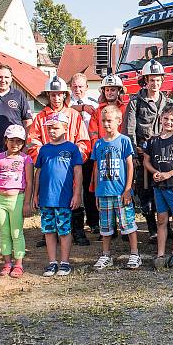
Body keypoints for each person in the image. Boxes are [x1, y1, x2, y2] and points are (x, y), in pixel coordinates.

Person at [28, 75, 91, 247]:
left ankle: (77, 230)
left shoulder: (74, 116)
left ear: (65, 95)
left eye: (59, 94)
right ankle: (49, 233)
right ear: (48, 95)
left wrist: (77, 158)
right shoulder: (40, 118)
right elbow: (33, 141)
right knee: (49, 198)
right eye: (53, 94)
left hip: (69, 166)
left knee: (75, 196)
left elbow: (83, 141)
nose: (56, 98)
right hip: (49, 168)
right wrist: (44, 158)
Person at [90, 106, 142, 270]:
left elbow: (130, 166)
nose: (106, 124)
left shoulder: (124, 141)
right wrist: (97, 193)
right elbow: (97, 169)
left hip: (120, 192)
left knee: (128, 224)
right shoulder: (98, 144)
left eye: (109, 121)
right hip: (104, 192)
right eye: (103, 121)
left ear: (119, 122)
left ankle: (134, 254)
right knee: (105, 227)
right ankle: (106, 255)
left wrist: (128, 189)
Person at [32, 112, 83, 277]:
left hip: (63, 199)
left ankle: (65, 262)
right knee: (48, 231)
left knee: (64, 231)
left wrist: (76, 194)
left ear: (65, 128)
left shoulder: (72, 148)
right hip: (46, 198)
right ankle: (52, 262)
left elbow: (78, 172)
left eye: (55, 128)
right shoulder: (44, 150)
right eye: (49, 128)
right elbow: (38, 173)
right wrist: (35, 194)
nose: (52, 131)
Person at [125, 59, 170, 241]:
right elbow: (129, 129)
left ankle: (165, 227)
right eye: (152, 80)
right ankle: (152, 228)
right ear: (145, 80)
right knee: (145, 191)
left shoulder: (167, 101)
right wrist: (134, 154)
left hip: (163, 153)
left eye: (158, 79)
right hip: (143, 153)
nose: (155, 83)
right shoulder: (136, 102)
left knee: (163, 190)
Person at [143, 105, 173, 270]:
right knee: (161, 220)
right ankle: (161, 254)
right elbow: (146, 162)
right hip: (159, 187)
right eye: (165, 119)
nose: (168, 122)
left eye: (172, 120)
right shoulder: (152, 140)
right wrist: (155, 172)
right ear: (160, 119)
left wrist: (169, 174)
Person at [0, 124, 33, 278]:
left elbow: (29, 182)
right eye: (12, 140)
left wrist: (27, 202)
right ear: (5, 140)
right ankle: (7, 262)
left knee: (16, 232)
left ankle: (19, 263)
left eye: (19, 141)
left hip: (17, 199)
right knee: (4, 232)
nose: (15, 144)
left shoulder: (26, 159)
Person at [69, 73, 102, 234]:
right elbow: (66, 110)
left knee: (90, 187)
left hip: (89, 151)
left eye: (81, 86)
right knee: (71, 188)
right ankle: (74, 222)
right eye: (75, 86)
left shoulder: (94, 103)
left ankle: (93, 221)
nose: (78, 89)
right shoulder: (67, 103)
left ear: (87, 87)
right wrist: (81, 108)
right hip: (71, 151)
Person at [89, 74, 129, 144]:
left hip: (121, 146)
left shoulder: (125, 110)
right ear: (103, 91)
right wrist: (97, 146)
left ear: (119, 91)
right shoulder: (97, 111)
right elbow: (93, 133)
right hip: (102, 147)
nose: (109, 93)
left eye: (113, 90)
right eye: (107, 90)